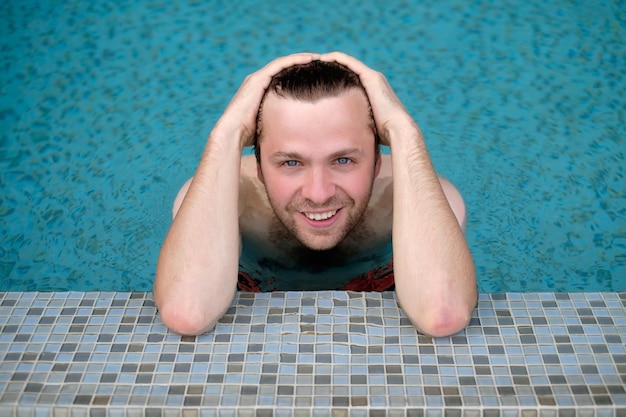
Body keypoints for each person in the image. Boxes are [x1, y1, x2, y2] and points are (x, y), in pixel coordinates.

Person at [154, 52, 477, 337]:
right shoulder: (224, 195)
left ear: (378, 161)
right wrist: (227, 132)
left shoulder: (426, 198)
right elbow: (187, 312)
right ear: (259, 167)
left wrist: (404, 131)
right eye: (291, 162)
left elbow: (442, 314)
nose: (319, 194)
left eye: (343, 160)